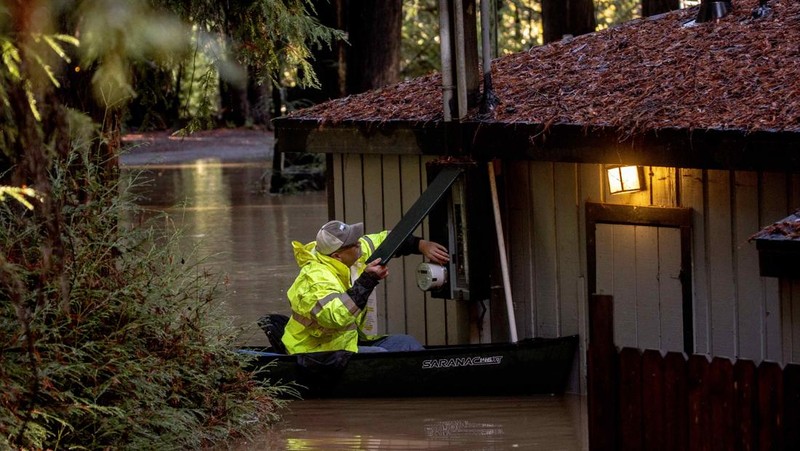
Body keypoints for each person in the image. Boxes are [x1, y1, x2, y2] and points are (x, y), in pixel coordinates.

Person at [281, 220, 450, 354]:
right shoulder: (315, 278)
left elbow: (387, 240)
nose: (359, 244)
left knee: (407, 344)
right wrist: (368, 280)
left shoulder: (355, 254)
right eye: (353, 244)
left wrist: (421, 245)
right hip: (316, 352)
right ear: (337, 256)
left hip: (346, 342)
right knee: (380, 355)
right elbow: (335, 317)